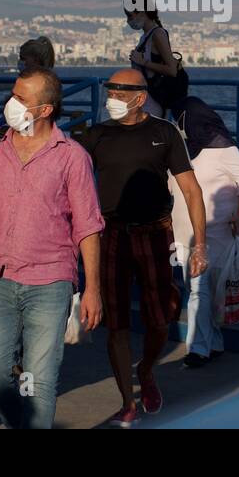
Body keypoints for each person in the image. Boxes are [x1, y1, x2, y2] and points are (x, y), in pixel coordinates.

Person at [0, 68, 104, 430]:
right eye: (13, 94)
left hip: (50, 281)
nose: (11, 103)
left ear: (45, 110)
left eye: (21, 99)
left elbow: (88, 227)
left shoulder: (72, 157)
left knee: (40, 381)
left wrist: (93, 289)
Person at [81, 69, 207, 426]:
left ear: (140, 97)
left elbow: (192, 190)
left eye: (121, 93)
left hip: (155, 234)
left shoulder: (164, 132)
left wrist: (200, 244)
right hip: (111, 235)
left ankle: (147, 369)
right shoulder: (96, 135)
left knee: (160, 318)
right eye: (110, 91)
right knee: (117, 323)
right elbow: (67, 179)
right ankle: (127, 400)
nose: (112, 99)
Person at [168, 97, 239, 369]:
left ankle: (198, 348)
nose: (178, 126)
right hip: (182, 229)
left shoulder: (223, 148)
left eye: (182, 121)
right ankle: (213, 343)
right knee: (196, 288)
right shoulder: (179, 149)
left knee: (200, 290)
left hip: (216, 230)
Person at [125, 0, 185, 115]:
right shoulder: (145, 37)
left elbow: (171, 70)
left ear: (142, 13)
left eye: (130, 16)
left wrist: (143, 62)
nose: (128, 21)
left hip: (152, 104)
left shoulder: (158, 34)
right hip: (143, 100)